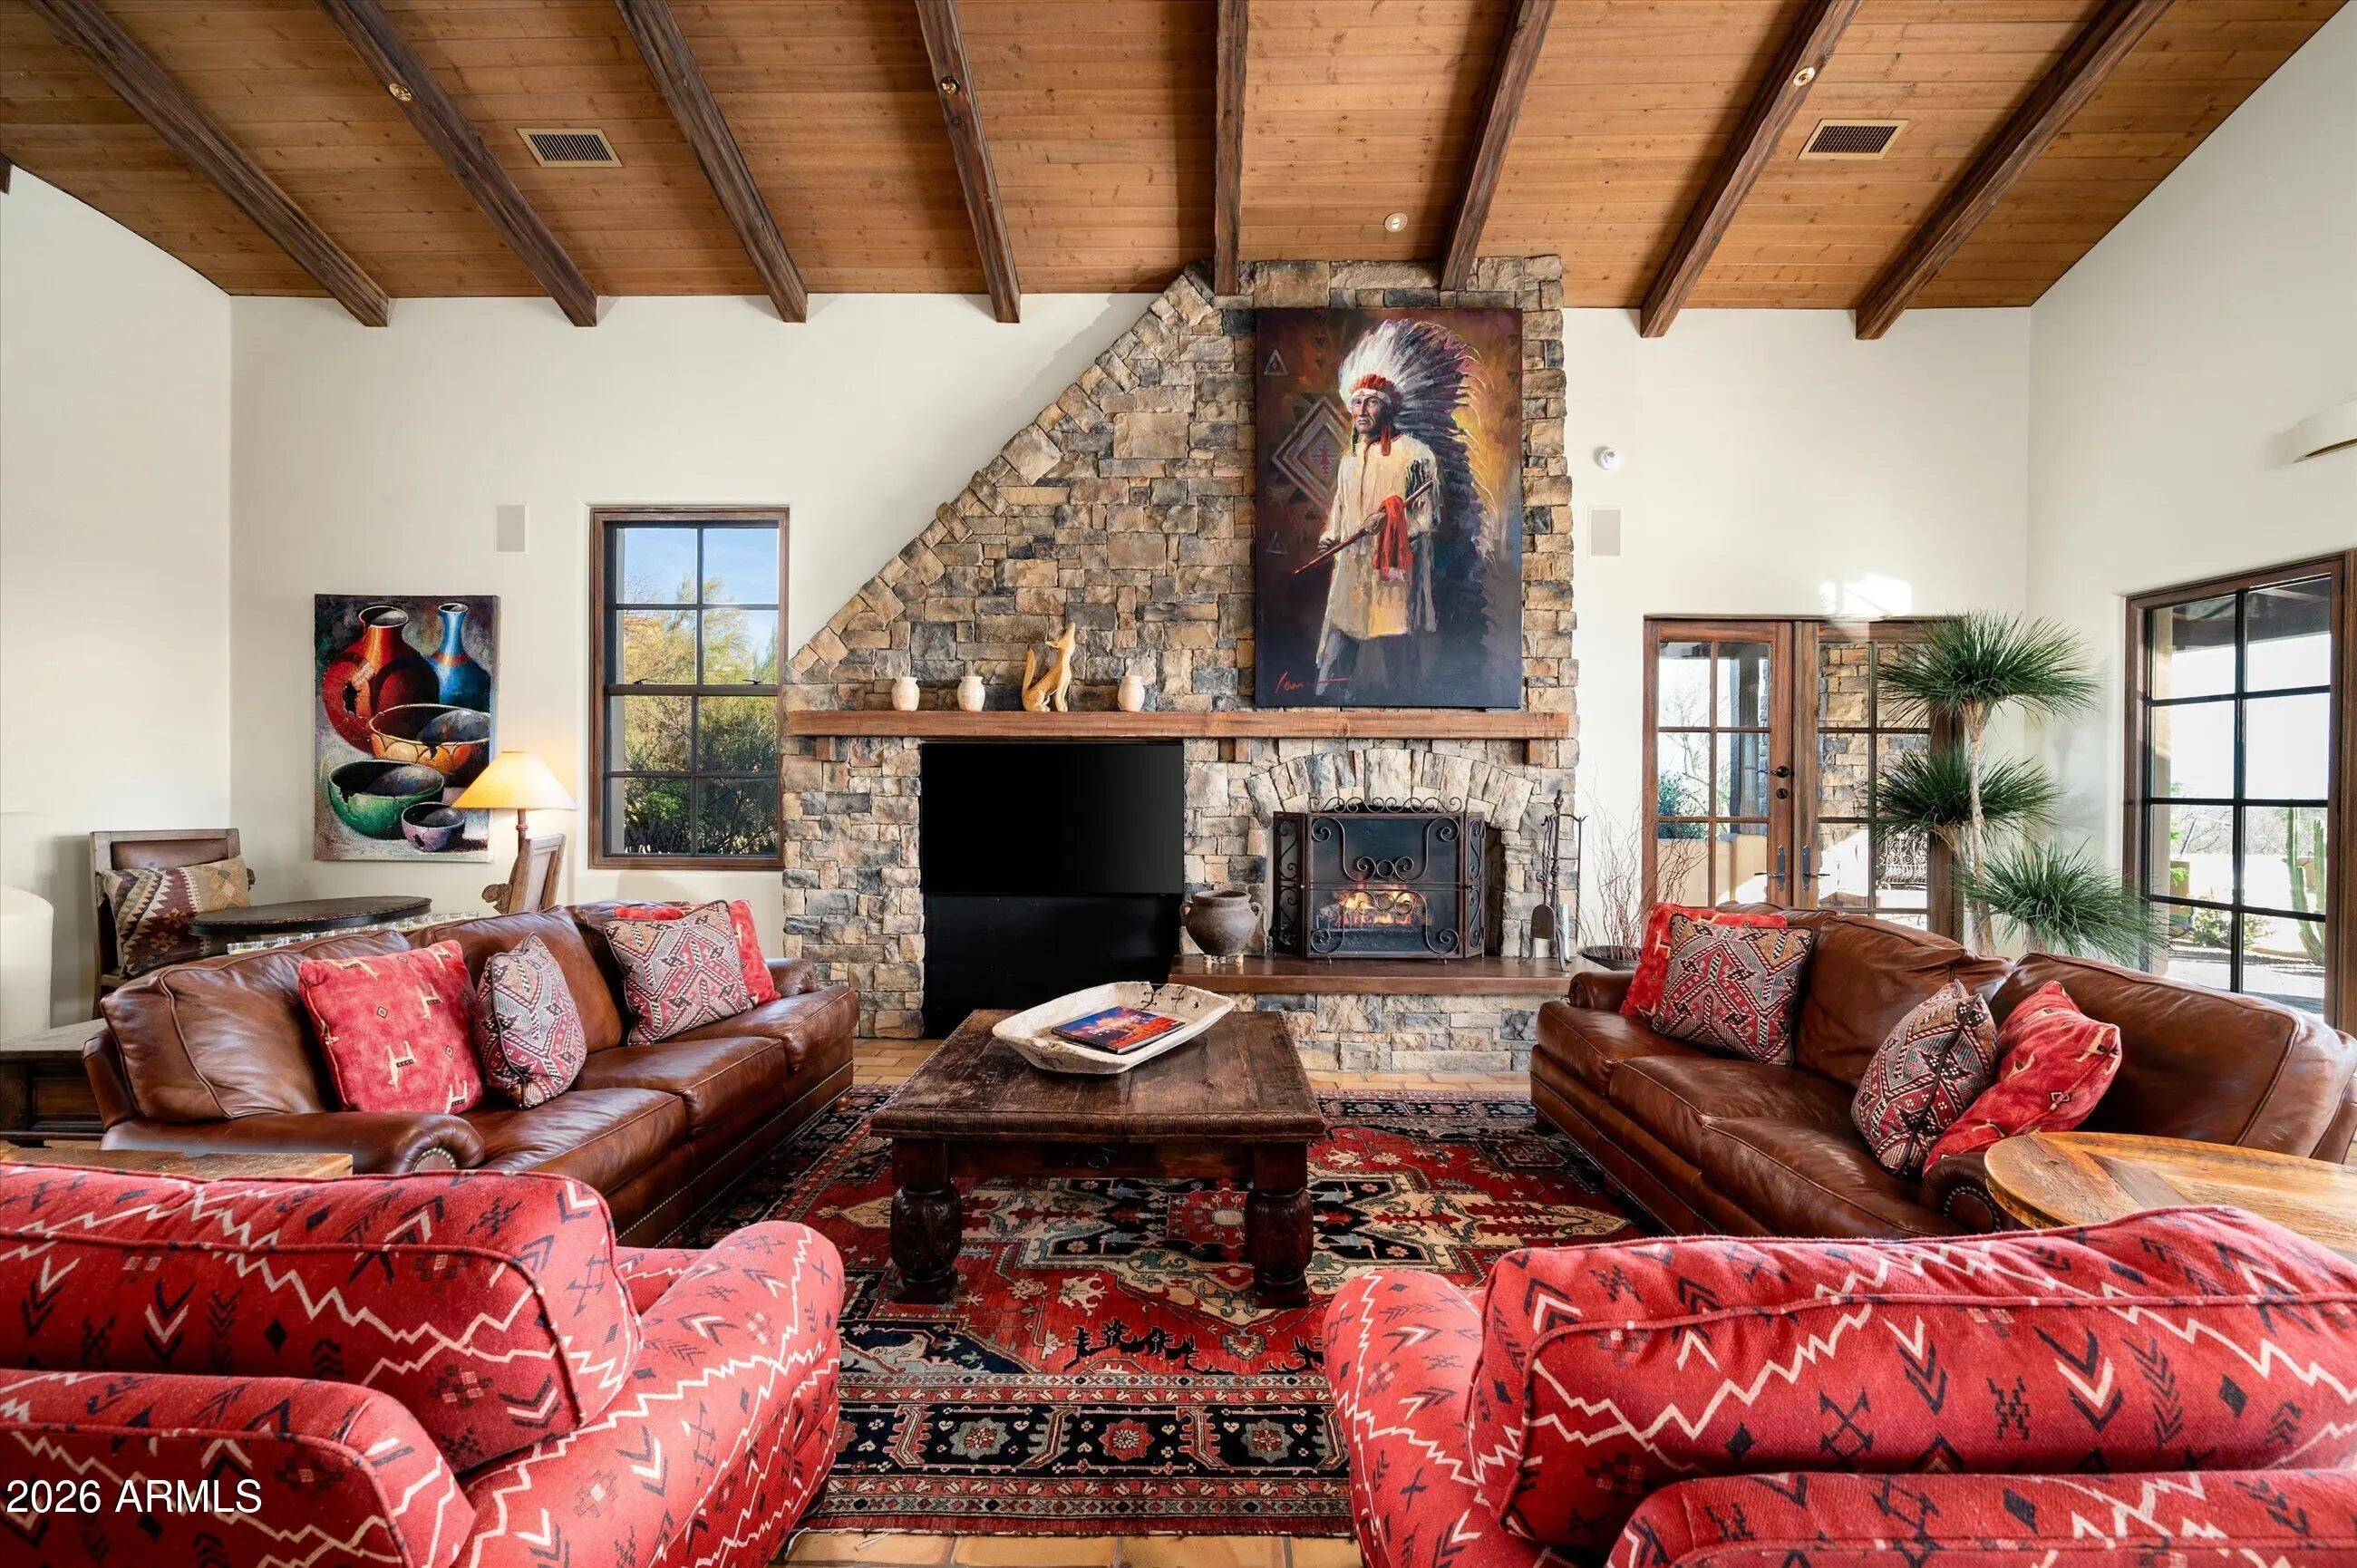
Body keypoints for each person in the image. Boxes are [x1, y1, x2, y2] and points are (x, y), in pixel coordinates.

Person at [1314, 372, 1438, 695]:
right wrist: (1331, 536)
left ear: (1387, 408)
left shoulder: (1416, 455)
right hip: (1351, 573)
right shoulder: (1349, 462)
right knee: (1337, 655)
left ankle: (1408, 708)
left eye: (1371, 403)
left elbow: (1426, 518)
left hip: (1392, 576)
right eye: (1357, 403)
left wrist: (1391, 522)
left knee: (1398, 654)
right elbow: (1340, 510)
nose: (1361, 411)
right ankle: (1327, 707)